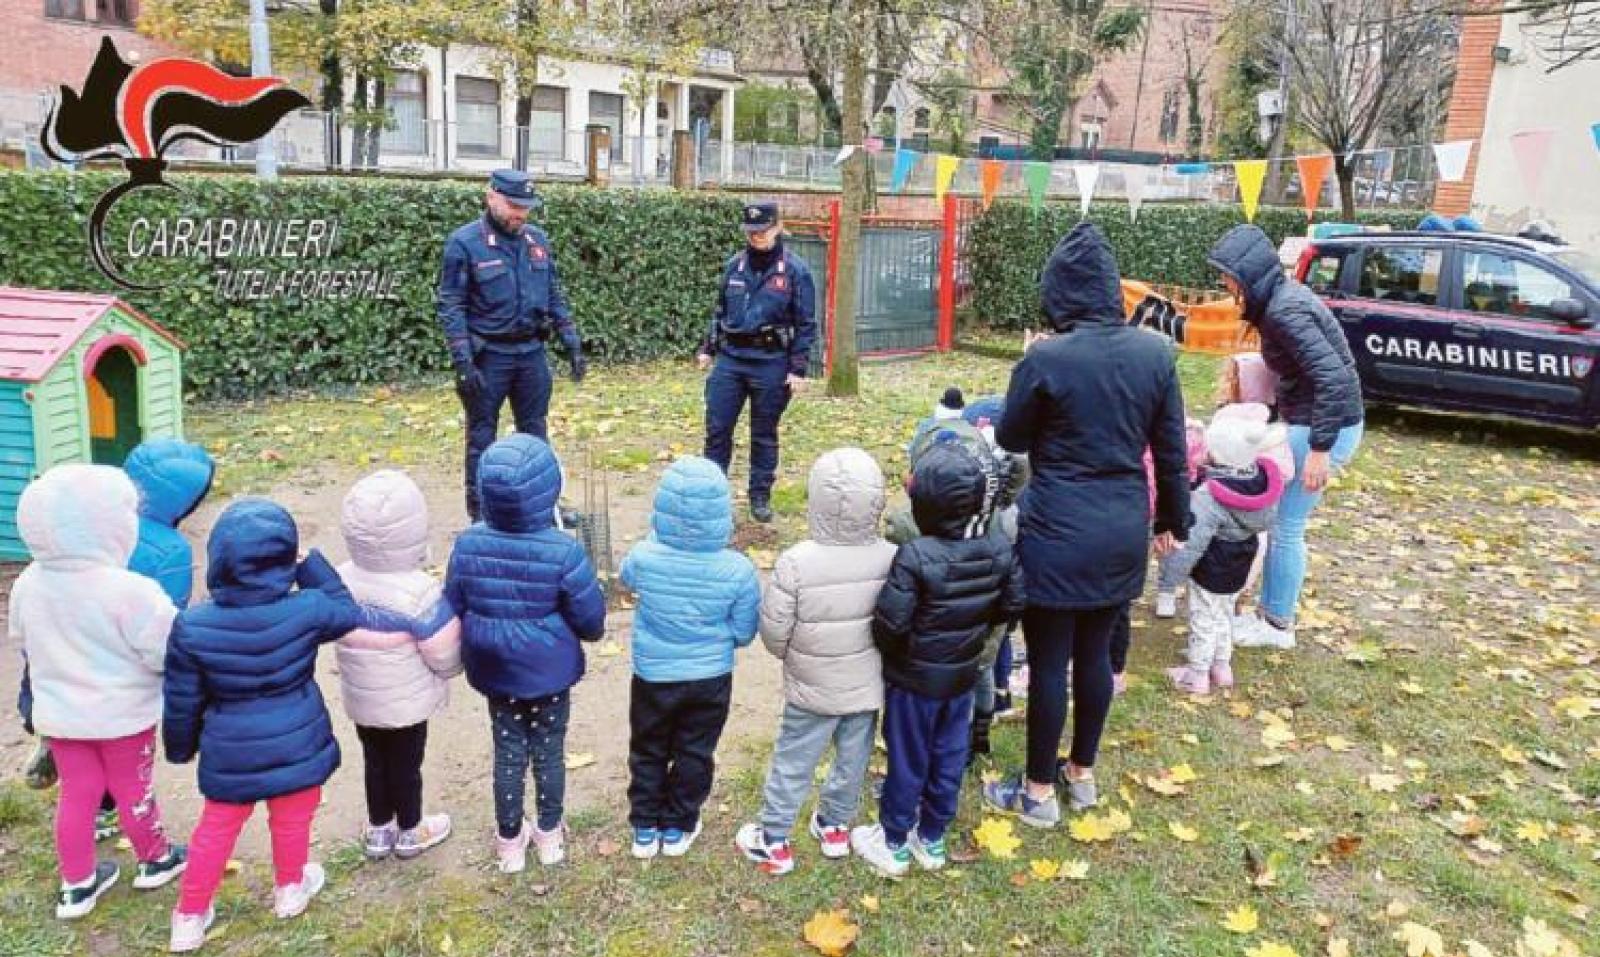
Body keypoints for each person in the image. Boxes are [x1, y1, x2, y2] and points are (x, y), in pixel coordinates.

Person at [163, 499, 442, 952]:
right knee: (291, 820)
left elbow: (181, 699)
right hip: (297, 740)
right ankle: (289, 890)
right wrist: (308, 562)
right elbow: (345, 609)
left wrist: (180, 747)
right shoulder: (307, 609)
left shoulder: (192, 626)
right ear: (282, 563)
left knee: (215, 829)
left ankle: (190, 916)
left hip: (230, 750)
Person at [983, 223, 1190, 829]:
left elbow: (1010, 437)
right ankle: (1082, 774)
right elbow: (1172, 451)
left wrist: (1029, 370)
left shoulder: (1047, 357)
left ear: (1061, 292)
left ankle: (1039, 793)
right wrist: (1173, 518)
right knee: (1097, 652)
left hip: (1057, 527)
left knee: (1049, 659)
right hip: (1122, 525)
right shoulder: (1156, 354)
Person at [11, 465, 187, 921]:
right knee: (133, 787)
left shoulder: (28, 582)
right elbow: (167, 650)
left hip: (61, 717)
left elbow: (23, 639)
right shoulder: (131, 590)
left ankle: (77, 885)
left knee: (77, 794)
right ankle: (155, 857)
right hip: (124, 716)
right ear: (111, 528)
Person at [851, 443, 1026, 878]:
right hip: (963, 677)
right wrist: (976, 633)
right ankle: (931, 837)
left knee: (908, 758)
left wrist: (897, 653)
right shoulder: (999, 547)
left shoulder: (915, 556)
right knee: (949, 754)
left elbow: (890, 623)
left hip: (914, 683)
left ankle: (892, 840)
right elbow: (1014, 603)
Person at [443, 434, 607, 874]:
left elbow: (453, 602)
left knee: (508, 752)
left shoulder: (467, 544)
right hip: (549, 673)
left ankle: (509, 843)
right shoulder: (564, 550)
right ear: (549, 488)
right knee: (549, 751)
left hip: (495, 669)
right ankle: (550, 836)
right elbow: (591, 621)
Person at [735, 448, 896, 875]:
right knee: (852, 758)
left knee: (794, 759)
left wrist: (790, 656)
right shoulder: (891, 556)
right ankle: (835, 827)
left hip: (811, 686)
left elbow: (774, 630)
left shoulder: (795, 562)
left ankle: (773, 838)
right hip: (865, 686)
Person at [1207, 224, 1364, 649]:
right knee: (1281, 523)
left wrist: (1318, 450)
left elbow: (1333, 378)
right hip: (1311, 420)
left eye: (1228, 276)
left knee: (1286, 525)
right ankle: (1269, 614)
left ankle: (1276, 624)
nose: (1224, 284)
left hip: (1325, 427)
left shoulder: (1284, 311)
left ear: (1247, 273)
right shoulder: (1280, 302)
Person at [619, 457, 761, 860]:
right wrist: (721, 640)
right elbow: (744, 631)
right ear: (721, 513)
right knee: (695, 750)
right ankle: (679, 824)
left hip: (653, 675)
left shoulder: (644, 556)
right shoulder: (739, 571)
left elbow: (627, 579)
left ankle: (645, 827)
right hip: (710, 676)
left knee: (648, 747)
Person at [437, 169, 588, 522]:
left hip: (531, 353)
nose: (520, 214)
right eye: (513, 205)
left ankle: (544, 508)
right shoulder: (464, 243)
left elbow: (553, 294)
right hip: (489, 356)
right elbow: (451, 304)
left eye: (526, 207)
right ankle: (480, 516)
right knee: (481, 438)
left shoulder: (537, 241)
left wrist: (571, 340)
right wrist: (463, 361)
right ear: (491, 196)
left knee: (535, 433)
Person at [335, 471, 463, 861]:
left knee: (374, 760)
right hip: (406, 703)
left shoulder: (339, 581)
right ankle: (410, 829)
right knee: (407, 764)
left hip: (362, 698)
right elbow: (444, 652)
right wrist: (450, 670)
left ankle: (378, 828)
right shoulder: (420, 592)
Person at [697, 202, 818, 523]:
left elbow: (806, 324)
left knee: (764, 433)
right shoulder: (734, 267)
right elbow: (720, 311)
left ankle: (759, 495)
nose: (757, 238)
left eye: (762, 231)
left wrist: (798, 369)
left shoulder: (795, 271)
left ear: (778, 227)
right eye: (751, 233)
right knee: (717, 428)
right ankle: (713, 492)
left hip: (771, 361)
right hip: (732, 360)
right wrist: (708, 348)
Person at [1158, 412, 1286, 695]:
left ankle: (1197, 674)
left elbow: (1192, 540)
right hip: (1242, 558)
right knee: (1225, 613)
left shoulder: (1210, 495)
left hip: (1212, 564)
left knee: (1203, 615)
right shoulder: (1263, 481)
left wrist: (1171, 574)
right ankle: (1221, 665)